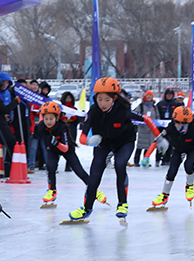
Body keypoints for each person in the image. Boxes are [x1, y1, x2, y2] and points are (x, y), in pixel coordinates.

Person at [68, 77, 165, 222]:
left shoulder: (123, 110)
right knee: (94, 176)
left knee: (120, 165)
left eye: (107, 100)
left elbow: (146, 119)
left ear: (114, 98)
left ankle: (122, 204)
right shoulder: (94, 111)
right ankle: (86, 208)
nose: (103, 103)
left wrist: (159, 138)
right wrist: (88, 141)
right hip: (104, 145)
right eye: (100, 99)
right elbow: (81, 137)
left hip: (124, 143)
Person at [37, 101, 107, 206]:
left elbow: (65, 149)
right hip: (52, 149)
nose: (48, 122)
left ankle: (95, 191)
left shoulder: (62, 127)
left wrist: (56, 142)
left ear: (57, 118)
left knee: (80, 172)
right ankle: (52, 190)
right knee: (50, 167)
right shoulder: (41, 127)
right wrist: (52, 143)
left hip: (67, 149)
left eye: (51, 119)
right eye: (46, 119)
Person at [150, 106, 194, 208]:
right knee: (172, 171)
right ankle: (164, 194)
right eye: (178, 123)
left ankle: (189, 186)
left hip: (192, 148)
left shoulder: (193, 128)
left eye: (184, 124)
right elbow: (160, 136)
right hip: (179, 148)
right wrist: (153, 147)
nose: (181, 126)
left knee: (188, 165)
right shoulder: (171, 127)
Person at [133, 91, 160, 167]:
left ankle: (145, 161)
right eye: (147, 96)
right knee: (140, 146)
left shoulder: (154, 107)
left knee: (148, 147)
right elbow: (135, 114)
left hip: (151, 130)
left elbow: (157, 117)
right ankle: (136, 161)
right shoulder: (141, 106)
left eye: (150, 96)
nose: (149, 97)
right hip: (142, 129)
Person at [27, 79, 46, 173]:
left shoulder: (41, 97)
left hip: (42, 125)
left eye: (36, 85)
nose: (35, 86)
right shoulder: (28, 97)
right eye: (33, 84)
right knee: (33, 147)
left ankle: (48, 164)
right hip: (33, 126)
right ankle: (31, 164)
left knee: (44, 146)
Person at [59, 91, 80, 171]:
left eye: (70, 98)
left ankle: (69, 165)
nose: (68, 99)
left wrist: (75, 118)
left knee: (71, 146)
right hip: (63, 129)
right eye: (67, 98)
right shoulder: (61, 108)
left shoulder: (74, 109)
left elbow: (79, 120)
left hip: (72, 129)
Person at [156, 88, 178, 166]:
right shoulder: (160, 104)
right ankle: (158, 159)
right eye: (168, 95)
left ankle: (167, 159)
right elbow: (156, 114)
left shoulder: (176, 104)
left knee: (170, 143)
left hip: (171, 127)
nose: (169, 96)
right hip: (161, 127)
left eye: (171, 95)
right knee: (160, 143)